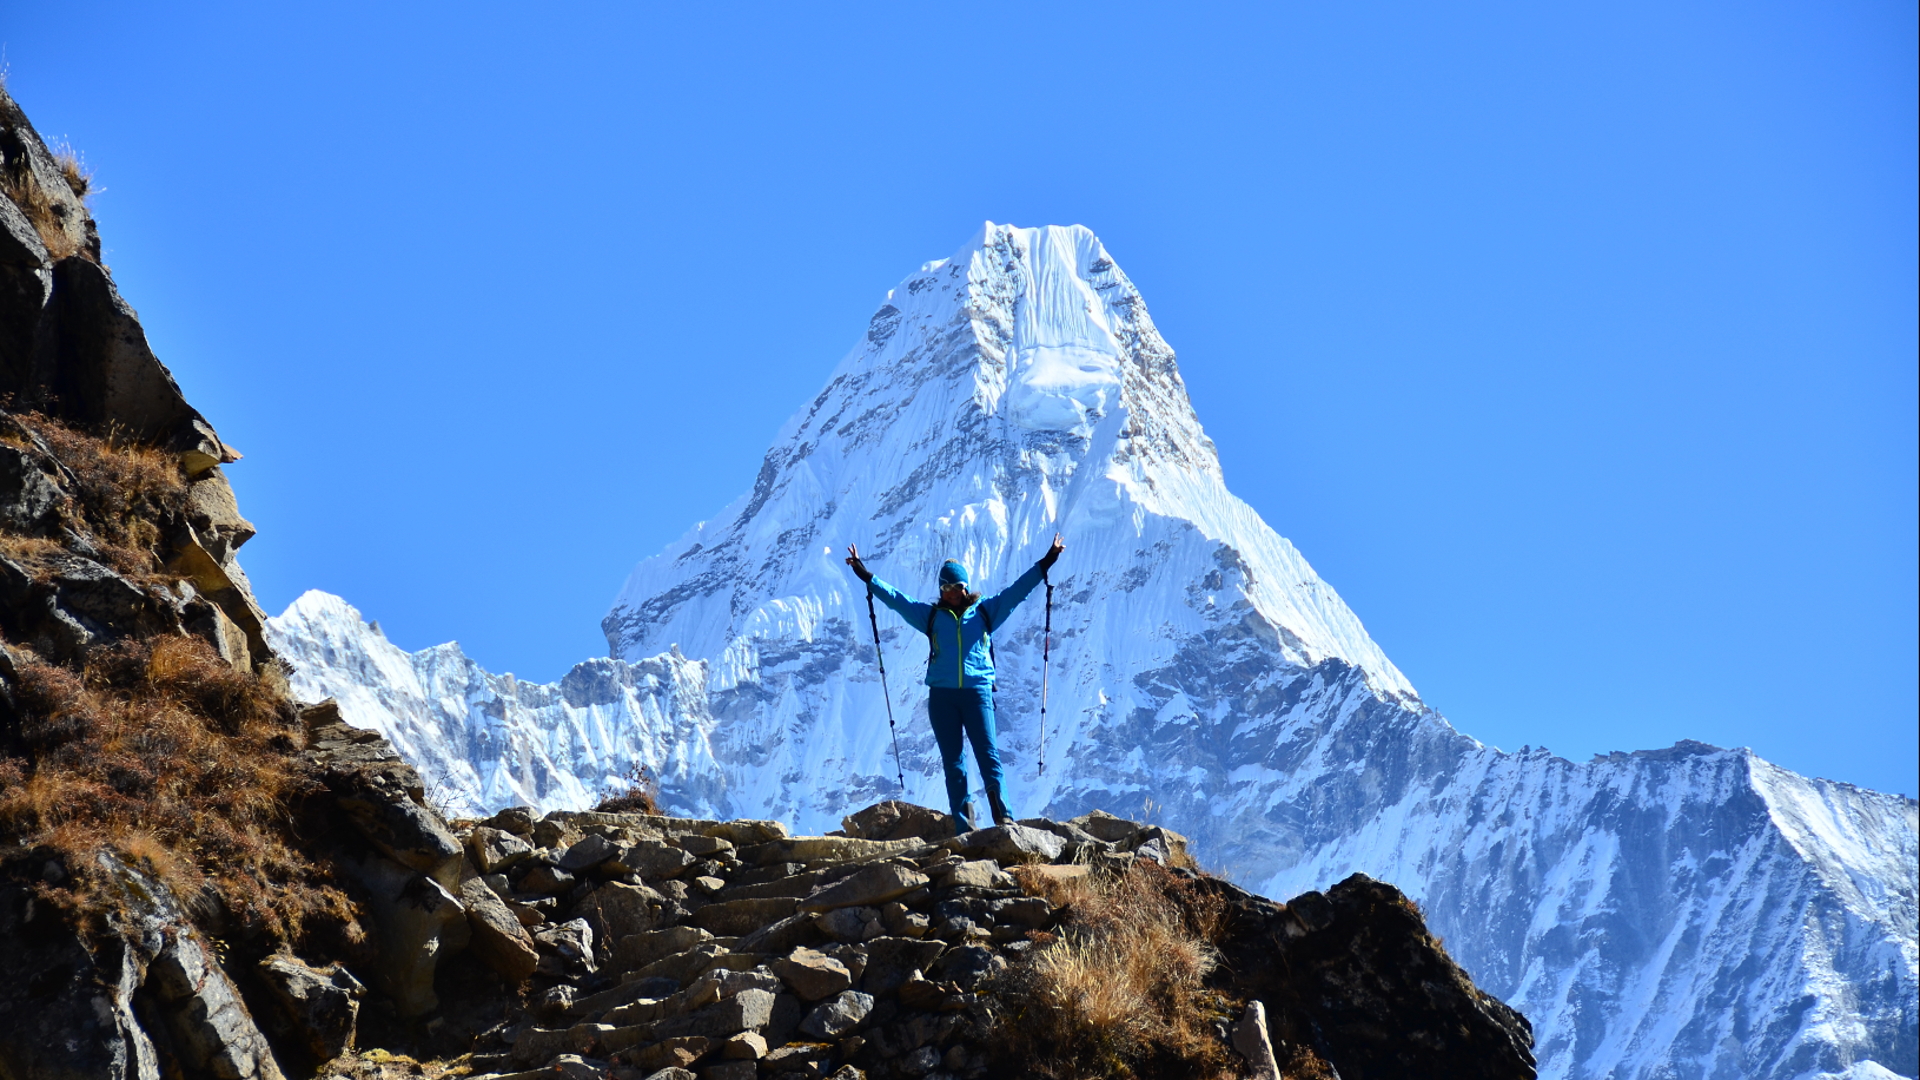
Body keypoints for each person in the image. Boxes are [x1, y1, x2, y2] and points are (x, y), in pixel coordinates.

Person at [845, 535, 1065, 833]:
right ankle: (966, 828)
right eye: (946, 588)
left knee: (988, 757)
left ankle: (1004, 818)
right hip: (942, 698)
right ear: (941, 590)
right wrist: (865, 575)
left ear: (965, 587)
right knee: (954, 764)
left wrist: (1048, 559)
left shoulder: (987, 611)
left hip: (977, 694)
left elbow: (1019, 590)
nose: (951, 592)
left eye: (956, 587)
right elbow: (897, 600)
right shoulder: (931, 617)